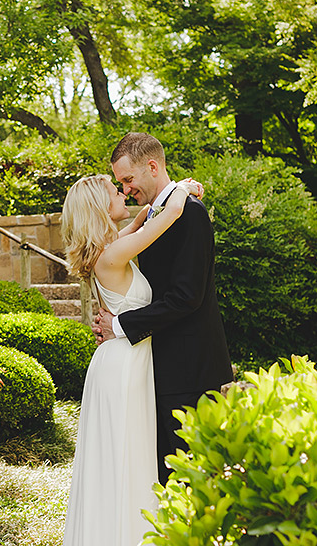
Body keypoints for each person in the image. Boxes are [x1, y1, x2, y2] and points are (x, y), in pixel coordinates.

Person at [60, 171, 203, 546]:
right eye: (114, 190)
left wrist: (144, 213)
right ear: (99, 206)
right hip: (124, 365)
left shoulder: (108, 248)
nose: (124, 193)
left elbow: (143, 221)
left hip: (123, 358)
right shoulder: (112, 254)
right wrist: (182, 190)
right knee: (125, 455)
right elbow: (168, 216)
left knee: (126, 454)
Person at [94, 131, 233, 486]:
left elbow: (187, 296)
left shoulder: (189, 213)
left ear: (152, 167)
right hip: (162, 367)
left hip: (191, 372)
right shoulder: (160, 213)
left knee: (193, 480)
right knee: (167, 478)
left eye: (128, 179)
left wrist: (120, 324)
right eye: (120, 183)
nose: (124, 189)